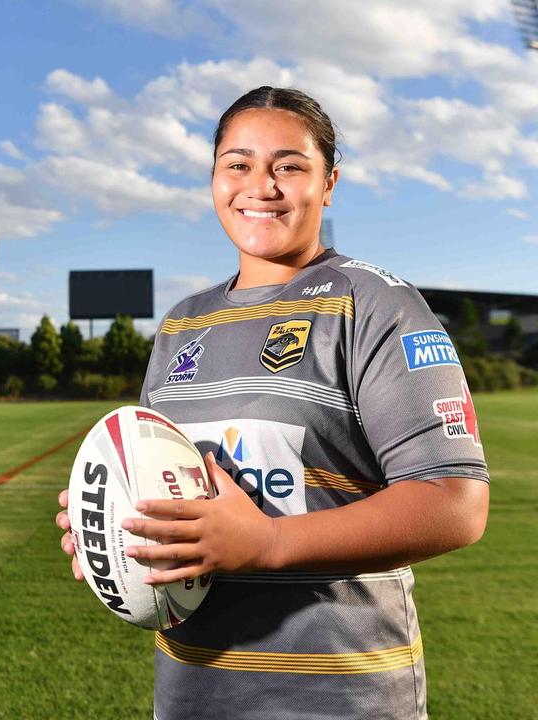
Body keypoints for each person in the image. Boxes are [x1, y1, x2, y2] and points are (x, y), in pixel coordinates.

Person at [56, 86, 489, 720]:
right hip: (193, 694)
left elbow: (455, 503)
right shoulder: (182, 325)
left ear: (329, 182)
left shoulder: (374, 305)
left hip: (343, 698)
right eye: (238, 164)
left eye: (288, 164)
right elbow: (171, 483)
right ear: (213, 178)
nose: (261, 185)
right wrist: (115, 524)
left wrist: (266, 543)